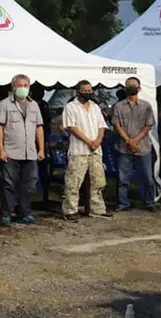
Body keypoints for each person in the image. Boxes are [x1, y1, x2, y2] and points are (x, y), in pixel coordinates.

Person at [0, 74, 45, 225]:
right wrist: (1, 150)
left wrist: (41, 149)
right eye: (19, 85)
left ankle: (25, 213)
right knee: (8, 184)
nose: (22, 88)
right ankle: (7, 213)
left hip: (30, 152)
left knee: (29, 185)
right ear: (13, 87)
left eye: (25, 85)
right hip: (11, 151)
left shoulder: (34, 105)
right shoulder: (4, 104)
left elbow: (39, 128)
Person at [61, 81, 113, 221]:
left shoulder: (95, 107)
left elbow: (101, 126)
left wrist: (97, 141)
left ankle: (97, 209)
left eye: (90, 90)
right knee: (74, 182)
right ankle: (70, 210)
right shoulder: (71, 107)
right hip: (79, 149)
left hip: (96, 150)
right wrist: (88, 141)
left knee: (98, 181)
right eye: (85, 90)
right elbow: (72, 127)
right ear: (78, 91)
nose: (88, 92)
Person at [112, 77, 156, 212]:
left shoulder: (146, 105)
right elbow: (116, 125)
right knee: (122, 178)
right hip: (123, 148)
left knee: (148, 177)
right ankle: (123, 203)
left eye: (133, 85)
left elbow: (149, 125)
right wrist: (128, 141)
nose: (130, 87)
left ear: (139, 88)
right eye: (128, 85)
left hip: (143, 147)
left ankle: (149, 202)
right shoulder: (118, 106)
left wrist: (135, 140)